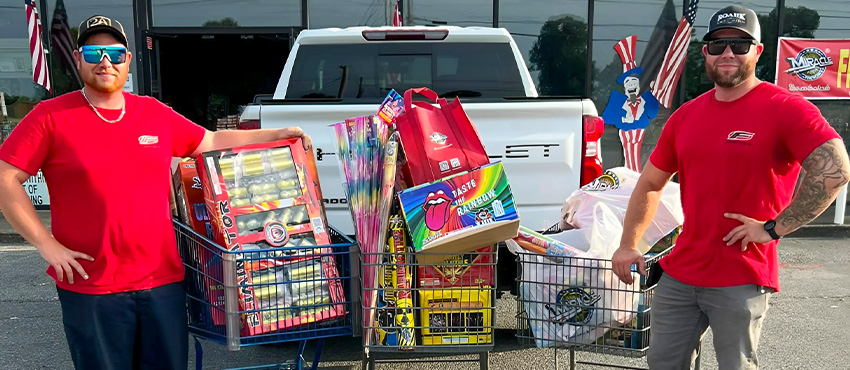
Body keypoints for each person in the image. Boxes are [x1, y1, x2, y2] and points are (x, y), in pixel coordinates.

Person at [0, 15, 312, 369]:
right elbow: (5, 177)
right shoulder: (49, 117)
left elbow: (209, 140)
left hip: (160, 283)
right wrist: (46, 244)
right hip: (92, 288)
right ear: (77, 58)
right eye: (94, 52)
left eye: (115, 54)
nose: (105, 61)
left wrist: (277, 134)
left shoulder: (152, 113)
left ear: (127, 61)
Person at [611, 5, 850, 370]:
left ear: (757, 52)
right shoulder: (686, 116)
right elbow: (649, 183)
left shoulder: (785, 108)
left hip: (742, 277)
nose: (728, 53)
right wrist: (628, 245)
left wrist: (773, 228)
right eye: (718, 44)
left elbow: (835, 169)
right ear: (704, 51)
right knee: (661, 364)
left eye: (740, 45)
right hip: (681, 274)